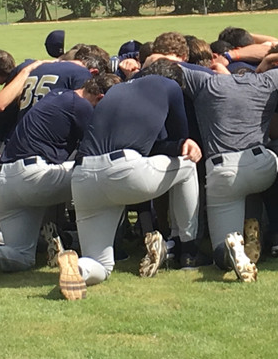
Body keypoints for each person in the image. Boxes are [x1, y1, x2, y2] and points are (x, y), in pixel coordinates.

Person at [57, 60, 202, 299]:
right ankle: (188, 248)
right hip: (125, 171)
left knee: (102, 265)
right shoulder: (170, 86)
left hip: (83, 177)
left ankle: (79, 269)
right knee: (187, 163)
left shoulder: (117, 88)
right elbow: (180, 140)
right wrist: (181, 144)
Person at [0, 74, 121, 285]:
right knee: (102, 174)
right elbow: (97, 150)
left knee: (22, 255)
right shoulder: (83, 106)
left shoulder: (57, 95)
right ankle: (105, 251)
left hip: (3, 182)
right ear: (100, 98)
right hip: (34, 178)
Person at [180, 46, 278, 281]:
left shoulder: (208, 83)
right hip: (261, 166)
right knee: (275, 158)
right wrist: (269, 59)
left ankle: (235, 248)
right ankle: (276, 230)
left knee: (221, 253)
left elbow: (159, 62)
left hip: (223, 170)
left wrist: (216, 67)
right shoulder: (265, 82)